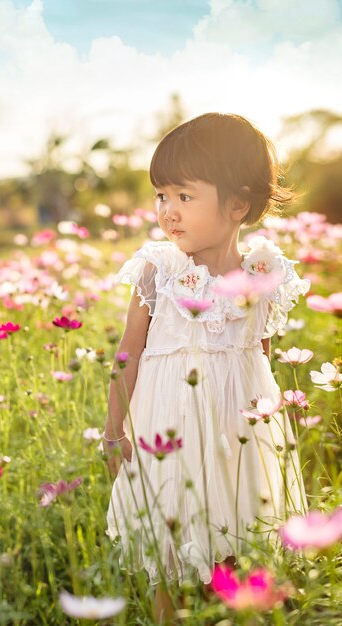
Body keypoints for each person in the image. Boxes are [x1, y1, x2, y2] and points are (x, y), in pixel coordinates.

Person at [101, 112, 311, 624]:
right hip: (165, 434)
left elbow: (258, 359)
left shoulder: (261, 274)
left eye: (184, 196)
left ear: (238, 202)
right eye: (161, 196)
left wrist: (274, 440)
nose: (168, 212)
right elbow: (127, 354)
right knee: (166, 549)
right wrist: (113, 430)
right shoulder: (159, 271)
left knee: (237, 537)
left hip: (235, 435)